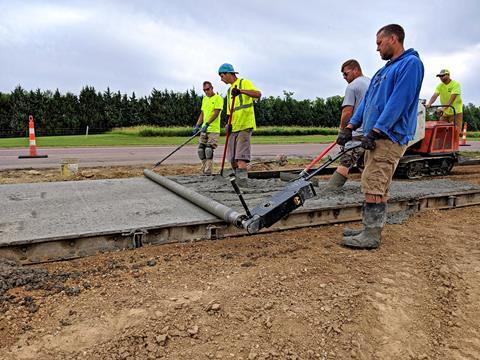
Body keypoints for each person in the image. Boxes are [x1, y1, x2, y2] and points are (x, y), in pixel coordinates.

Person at [336, 24, 424, 249]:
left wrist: (376, 130)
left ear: (392, 39)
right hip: (376, 135)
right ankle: (369, 228)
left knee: (374, 182)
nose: (377, 48)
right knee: (376, 183)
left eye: (379, 43)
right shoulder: (383, 71)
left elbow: (399, 101)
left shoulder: (410, 64)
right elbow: (367, 102)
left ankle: (371, 235)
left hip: (388, 136)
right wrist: (351, 126)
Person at [325, 59, 370, 189]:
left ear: (356, 70)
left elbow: (347, 111)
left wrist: (343, 130)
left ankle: (332, 189)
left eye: (346, 73)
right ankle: (371, 189)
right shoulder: (372, 82)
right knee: (363, 163)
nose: (344, 77)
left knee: (346, 161)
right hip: (371, 133)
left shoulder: (353, 86)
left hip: (357, 132)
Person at [218, 63, 261, 186]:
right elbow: (229, 113)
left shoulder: (243, 83)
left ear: (228, 74)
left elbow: (258, 94)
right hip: (234, 128)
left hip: (245, 126)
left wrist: (241, 91)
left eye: (222, 76)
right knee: (232, 159)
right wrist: (228, 125)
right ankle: (237, 179)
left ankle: (243, 182)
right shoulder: (229, 90)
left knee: (241, 157)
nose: (221, 79)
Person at [193, 81, 224, 175]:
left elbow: (216, 113)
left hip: (213, 129)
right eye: (204, 90)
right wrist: (197, 125)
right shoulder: (205, 99)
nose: (206, 91)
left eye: (207, 89)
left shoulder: (218, 98)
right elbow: (202, 113)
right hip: (203, 129)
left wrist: (207, 124)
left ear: (212, 88)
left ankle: (208, 170)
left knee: (208, 149)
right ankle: (203, 167)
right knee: (201, 149)